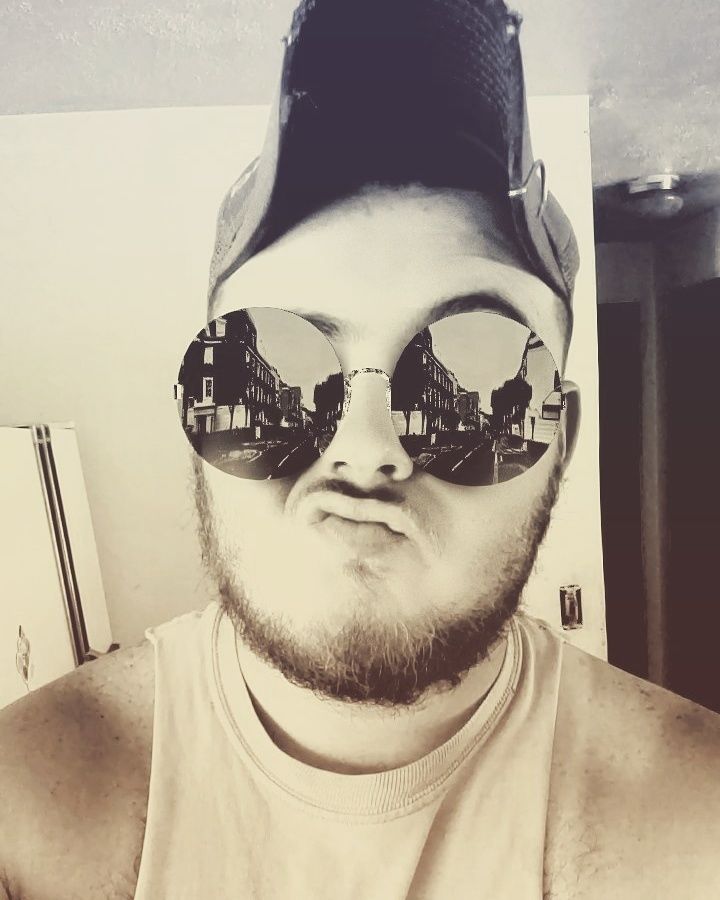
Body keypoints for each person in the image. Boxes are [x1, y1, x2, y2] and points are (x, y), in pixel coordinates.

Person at [1, 1, 719, 898]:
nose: (367, 450)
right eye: (277, 367)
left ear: (559, 443)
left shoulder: (694, 826)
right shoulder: (28, 817)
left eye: (474, 381)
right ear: (199, 402)